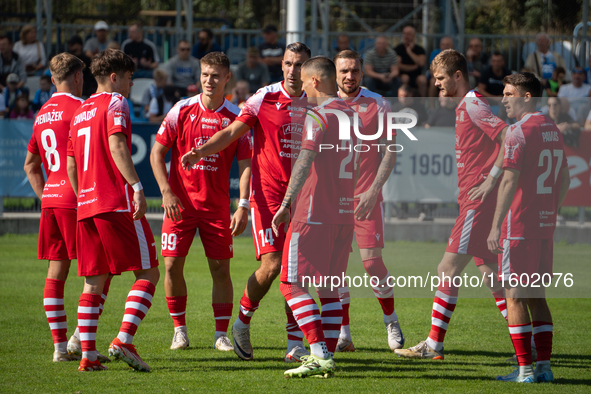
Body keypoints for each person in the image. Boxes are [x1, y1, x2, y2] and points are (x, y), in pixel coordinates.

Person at [180, 42, 312, 363]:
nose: (293, 70)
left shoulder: (317, 102)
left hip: (305, 198)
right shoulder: (264, 97)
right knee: (273, 266)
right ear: (281, 66)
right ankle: (241, 323)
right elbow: (232, 133)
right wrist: (202, 150)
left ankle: (294, 343)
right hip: (267, 196)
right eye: (289, 64)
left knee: (296, 271)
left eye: (300, 65)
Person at [395, 49, 509, 360]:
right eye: (435, 78)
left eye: (442, 77)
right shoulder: (465, 106)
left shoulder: (472, 103)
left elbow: (507, 137)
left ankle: (433, 345)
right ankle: (525, 342)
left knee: (446, 267)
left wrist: (490, 179)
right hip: (475, 202)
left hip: (478, 203)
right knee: (490, 273)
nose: (437, 84)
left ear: (458, 76)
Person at [151, 51, 252, 352]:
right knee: (170, 267)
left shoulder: (236, 117)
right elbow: (157, 153)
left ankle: (221, 333)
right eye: (205, 74)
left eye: (216, 75)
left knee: (221, 269)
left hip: (216, 207)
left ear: (227, 78)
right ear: (200, 75)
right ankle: (179, 330)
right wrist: (166, 192)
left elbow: (246, 164)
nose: (209, 80)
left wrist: (243, 204)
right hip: (179, 205)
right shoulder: (180, 110)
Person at [67, 49, 160, 372]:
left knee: (93, 281)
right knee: (148, 272)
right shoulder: (115, 102)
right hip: (115, 202)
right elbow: (117, 144)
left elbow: (71, 163)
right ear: (113, 77)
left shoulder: (80, 111)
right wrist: (136, 187)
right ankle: (124, 339)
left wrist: (83, 198)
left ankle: (88, 356)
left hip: (87, 206)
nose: (131, 83)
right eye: (129, 77)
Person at [272, 56, 358, 378]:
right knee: (330, 287)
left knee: (290, 284)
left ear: (316, 82)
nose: (302, 88)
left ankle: (319, 353)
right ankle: (327, 354)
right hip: (342, 216)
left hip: (313, 213)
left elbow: (305, 160)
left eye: (305, 82)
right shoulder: (353, 114)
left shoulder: (318, 116)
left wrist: (286, 202)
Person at [488, 72, 570, 383]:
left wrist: (495, 226)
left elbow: (509, 181)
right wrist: (553, 210)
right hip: (543, 226)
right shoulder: (552, 128)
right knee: (537, 295)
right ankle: (545, 370)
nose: (504, 99)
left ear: (527, 97)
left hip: (518, 225)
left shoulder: (517, 132)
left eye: (510, 94)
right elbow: (564, 179)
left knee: (515, 296)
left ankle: (524, 371)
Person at [333, 49, 403, 352]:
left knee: (372, 263)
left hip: (366, 198)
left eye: (355, 71)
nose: (350, 76)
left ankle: (391, 320)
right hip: (332, 202)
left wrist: (374, 189)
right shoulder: (324, 104)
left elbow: (391, 148)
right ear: (335, 73)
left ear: (363, 72)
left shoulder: (378, 104)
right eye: (345, 71)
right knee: (335, 269)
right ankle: (344, 333)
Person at [23, 53, 86, 363]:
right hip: (77, 199)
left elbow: (30, 165)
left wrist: (46, 193)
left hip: (51, 199)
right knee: (98, 270)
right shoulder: (81, 108)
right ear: (77, 77)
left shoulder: (41, 114)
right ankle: (81, 338)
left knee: (56, 272)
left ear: (51, 79)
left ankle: (60, 348)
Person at [394, 25, 427, 97]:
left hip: (416, 75)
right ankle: (403, 101)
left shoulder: (420, 49)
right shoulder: (398, 49)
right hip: (402, 75)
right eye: (404, 33)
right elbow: (398, 65)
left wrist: (409, 52)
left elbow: (421, 63)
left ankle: (421, 103)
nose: (406, 36)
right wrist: (414, 67)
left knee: (422, 80)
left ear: (414, 36)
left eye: (408, 34)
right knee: (405, 78)